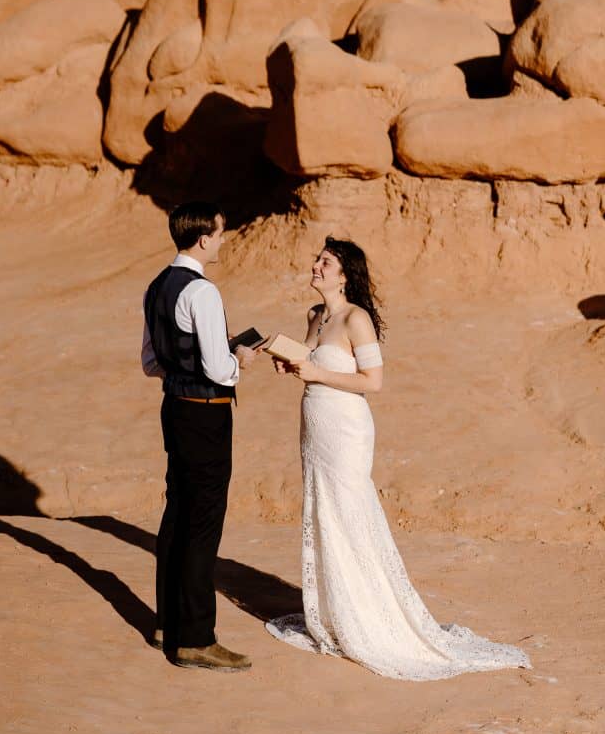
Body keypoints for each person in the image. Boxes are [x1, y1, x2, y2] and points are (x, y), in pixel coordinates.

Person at [266, 236, 530, 680]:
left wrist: (317, 372)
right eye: (317, 259)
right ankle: (337, 613)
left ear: (344, 275)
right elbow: (314, 365)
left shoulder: (356, 318)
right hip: (315, 425)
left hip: (347, 429)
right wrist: (294, 366)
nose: (315, 265)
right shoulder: (315, 316)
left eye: (325, 262)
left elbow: (373, 381)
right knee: (324, 510)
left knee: (350, 511)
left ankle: (371, 620)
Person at [141, 201, 259, 671]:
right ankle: (195, 638)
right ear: (204, 238)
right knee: (204, 521)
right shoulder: (202, 291)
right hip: (206, 416)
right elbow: (218, 369)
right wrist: (239, 362)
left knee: (178, 513)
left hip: (174, 410)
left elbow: (150, 362)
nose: (224, 240)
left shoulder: (156, 287)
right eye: (221, 233)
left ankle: (167, 623)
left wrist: (189, 366)